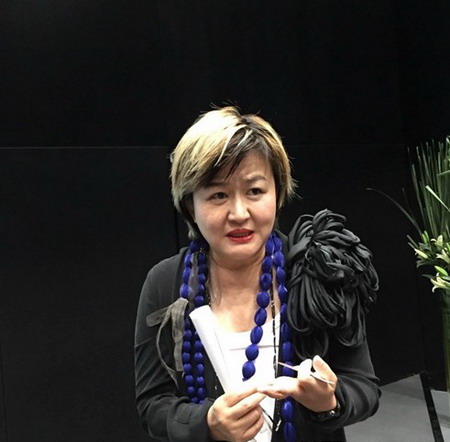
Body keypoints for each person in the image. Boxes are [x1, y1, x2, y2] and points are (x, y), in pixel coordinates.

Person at [134, 106, 380, 442]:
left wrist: (329, 402)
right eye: (218, 195)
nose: (239, 213)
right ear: (191, 205)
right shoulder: (165, 283)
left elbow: (364, 386)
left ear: (278, 193)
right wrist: (207, 422)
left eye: (254, 191)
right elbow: (152, 404)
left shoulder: (319, 270)